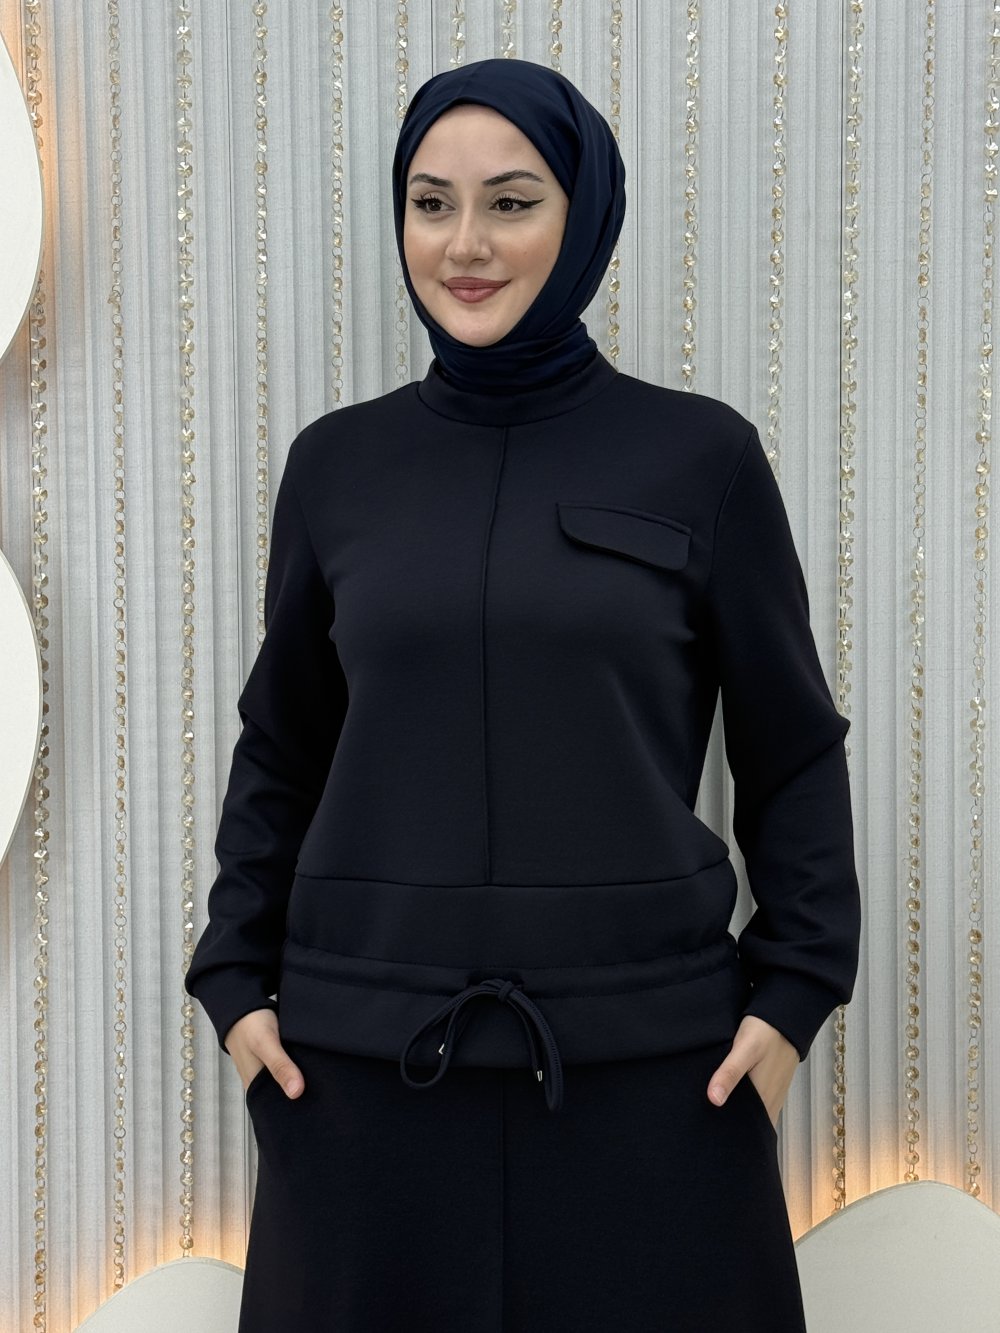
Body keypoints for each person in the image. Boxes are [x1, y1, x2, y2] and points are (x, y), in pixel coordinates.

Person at [185, 56, 860, 1332]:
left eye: (510, 201)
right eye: (430, 203)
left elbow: (791, 749)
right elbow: (281, 744)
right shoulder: (337, 467)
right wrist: (234, 981)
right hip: (358, 1078)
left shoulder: (701, 457)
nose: (465, 245)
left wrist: (792, 995)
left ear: (583, 211)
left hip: (653, 1081)